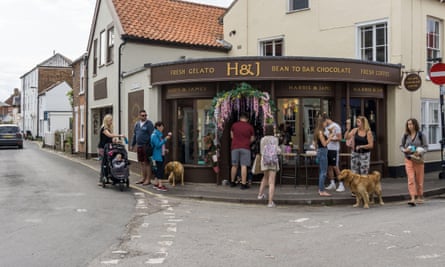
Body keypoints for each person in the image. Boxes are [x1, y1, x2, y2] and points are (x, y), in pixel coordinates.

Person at [400, 118, 428, 206]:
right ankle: (412, 198)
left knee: (419, 179)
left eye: (411, 124)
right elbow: (401, 146)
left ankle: (420, 196)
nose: (410, 126)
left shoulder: (421, 135)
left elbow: (426, 147)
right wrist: (404, 150)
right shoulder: (405, 135)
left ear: (415, 125)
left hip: (418, 159)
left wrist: (419, 151)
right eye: (408, 124)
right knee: (411, 179)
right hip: (408, 159)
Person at [257, 125, 281, 207]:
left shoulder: (263, 139)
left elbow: (261, 151)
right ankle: (270, 202)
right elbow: (277, 150)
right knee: (271, 182)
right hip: (273, 162)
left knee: (265, 178)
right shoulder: (275, 139)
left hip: (265, 161)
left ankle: (260, 195)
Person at [230, 112, 255, 190]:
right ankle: (243, 184)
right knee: (244, 165)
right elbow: (252, 138)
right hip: (245, 148)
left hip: (235, 147)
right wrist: (247, 142)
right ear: (247, 119)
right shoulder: (250, 127)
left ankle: (232, 182)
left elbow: (231, 135)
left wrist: (236, 140)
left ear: (240, 118)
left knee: (234, 165)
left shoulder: (234, 125)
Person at [98, 114, 125, 185]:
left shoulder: (109, 128)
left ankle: (108, 177)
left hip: (108, 147)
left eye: (111, 120)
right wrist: (119, 135)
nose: (111, 122)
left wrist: (117, 141)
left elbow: (110, 139)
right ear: (106, 120)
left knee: (109, 163)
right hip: (103, 148)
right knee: (104, 163)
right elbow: (109, 135)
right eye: (110, 120)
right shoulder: (104, 128)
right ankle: (102, 179)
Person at [130, 110, 154, 186]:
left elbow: (152, 135)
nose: (144, 117)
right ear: (139, 116)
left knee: (147, 163)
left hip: (146, 146)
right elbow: (135, 135)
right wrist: (132, 144)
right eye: (142, 115)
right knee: (142, 162)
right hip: (139, 146)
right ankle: (143, 178)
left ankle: (148, 179)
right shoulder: (137, 124)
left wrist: (151, 145)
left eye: (145, 115)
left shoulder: (149, 124)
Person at [322, 113, 345, 192]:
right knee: (329, 167)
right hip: (327, 149)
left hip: (334, 149)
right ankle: (332, 183)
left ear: (326, 120)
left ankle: (341, 184)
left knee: (335, 166)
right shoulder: (326, 127)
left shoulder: (336, 126)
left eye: (323, 121)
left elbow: (340, 138)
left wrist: (330, 139)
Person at [314, 116, 333, 196]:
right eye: (325, 122)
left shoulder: (318, 132)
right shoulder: (321, 133)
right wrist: (330, 137)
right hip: (323, 152)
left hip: (321, 152)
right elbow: (324, 144)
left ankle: (321, 189)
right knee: (323, 172)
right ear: (322, 123)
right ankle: (321, 191)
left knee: (322, 171)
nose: (326, 124)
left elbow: (315, 144)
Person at [151, 121, 171, 192]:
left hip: (160, 154)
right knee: (160, 169)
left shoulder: (158, 135)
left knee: (158, 169)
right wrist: (165, 139)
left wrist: (164, 150)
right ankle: (160, 185)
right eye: (162, 126)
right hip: (157, 156)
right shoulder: (154, 135)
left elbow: (160, 146)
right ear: (157, 127)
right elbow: (157, 145)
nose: (163, 128)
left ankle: (156, 183)